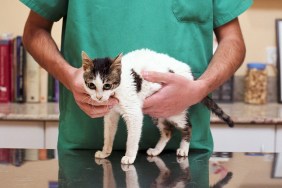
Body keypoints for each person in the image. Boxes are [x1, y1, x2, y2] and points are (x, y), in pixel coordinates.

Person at [20, 1, 253, 152]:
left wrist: (201, 88)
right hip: (87, 154)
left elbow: (233, 41)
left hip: (185, 158)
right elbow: (34, 31)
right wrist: (69, 75)